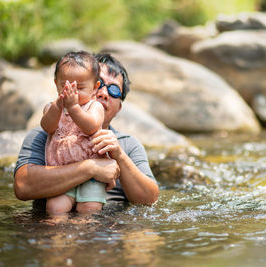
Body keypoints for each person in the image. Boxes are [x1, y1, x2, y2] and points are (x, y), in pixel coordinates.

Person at [13, 53, 159, 213]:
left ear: (119, 108)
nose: (104, 93)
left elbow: (149, 200)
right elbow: (22, 186)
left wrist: (120, 157)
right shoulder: (47, 135)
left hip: (105, 232)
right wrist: (91, 168)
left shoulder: (127, 144)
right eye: (100, 82)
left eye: (114, 90)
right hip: (51, 228)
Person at [41, 51, 106, 215]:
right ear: (56, 84)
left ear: (95, 88)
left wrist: (74, 108)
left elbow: (91, 127)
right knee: (55, 208)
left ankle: (82, 237)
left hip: (91, 175)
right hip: (60, 172)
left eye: (80, 88)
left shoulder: (94, 107)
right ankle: (58, 238)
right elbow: (47, 127)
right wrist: (58, 106)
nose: (72, 93)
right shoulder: (52, 107)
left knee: (89, 209)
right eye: (65, 87)